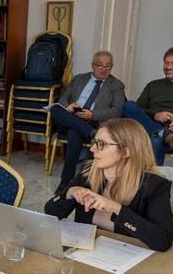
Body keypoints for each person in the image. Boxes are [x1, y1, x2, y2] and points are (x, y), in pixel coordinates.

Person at [43, 118, 173, 251]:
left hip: (125, 258)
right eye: (95, 142)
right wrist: (69, 193)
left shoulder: (155, 186)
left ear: (126, 151)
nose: (93, 149)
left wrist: (117, 209)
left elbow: (163, 241)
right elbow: (50, 212)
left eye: (102, 144)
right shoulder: (87, 173)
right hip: (84, 255)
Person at [46, 51, 126, 184]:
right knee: (55, 108)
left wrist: (93, 114)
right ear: (93, 65)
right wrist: (69, 107)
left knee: (74, 132)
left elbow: (117, 111)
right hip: (71, 117)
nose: (104, 68)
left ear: (112, 66)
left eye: (108, 65)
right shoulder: (79, 79)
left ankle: (65, 180)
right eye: (100, 65)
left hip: (93, 121)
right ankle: (92, 134)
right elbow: (63, 98)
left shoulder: (117, 85)